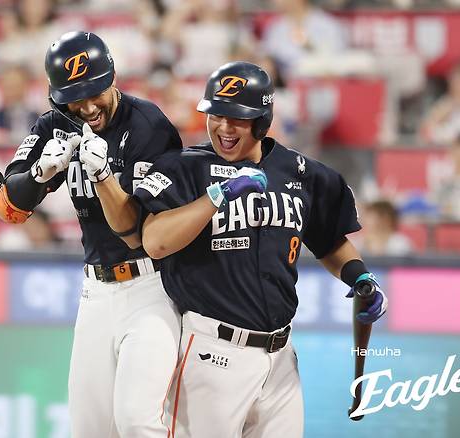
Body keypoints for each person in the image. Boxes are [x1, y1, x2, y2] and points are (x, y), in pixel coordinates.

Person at [132, 61, 388, 438]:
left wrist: (359, 275)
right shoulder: (183, 168)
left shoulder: (300, 172)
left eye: (236, 118)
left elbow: (330, 241)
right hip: (211, 352)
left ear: (262, 121)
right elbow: (154, 242)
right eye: (216, 115)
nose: (223, 127)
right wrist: (217, 196)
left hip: (281, 359)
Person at [0, 31, 183, 438]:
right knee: (89, 429)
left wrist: (104, 175)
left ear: (112, 78)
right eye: (76, 98)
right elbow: (8, 207)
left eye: (95, 92)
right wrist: (39, 174)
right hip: (96, 291)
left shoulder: (148, 125)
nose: (88, 107)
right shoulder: (56, 123)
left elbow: (139, 233)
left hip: (152, 286)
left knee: (137, 420)